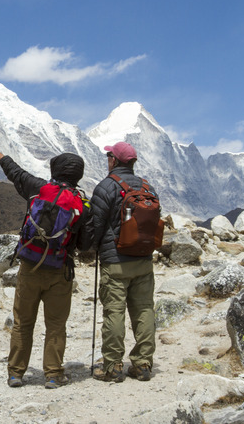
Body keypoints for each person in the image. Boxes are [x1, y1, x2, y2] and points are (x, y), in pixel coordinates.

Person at [0, 147, 94, 389]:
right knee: (55, 324)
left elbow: (17, 174)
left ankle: (15, 373)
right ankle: (53, 375)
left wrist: (2, 158)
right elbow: (87, 245)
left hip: (30, 267)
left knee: (23, 322)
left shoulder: (39, 189)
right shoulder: (82, 204)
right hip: (60, 270)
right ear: (78, 175)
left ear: (56, 170)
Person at [90, 141, 157, 382]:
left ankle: (113, 365)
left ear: (114, 160)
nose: (107, 158)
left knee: (114, 312)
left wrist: (92, 248)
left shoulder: (106, 187)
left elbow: (96, 225)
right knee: (144, 310)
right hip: (144, 261)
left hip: (115, 262)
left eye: (109, 155)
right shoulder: (148, 187)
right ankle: (142, 363)